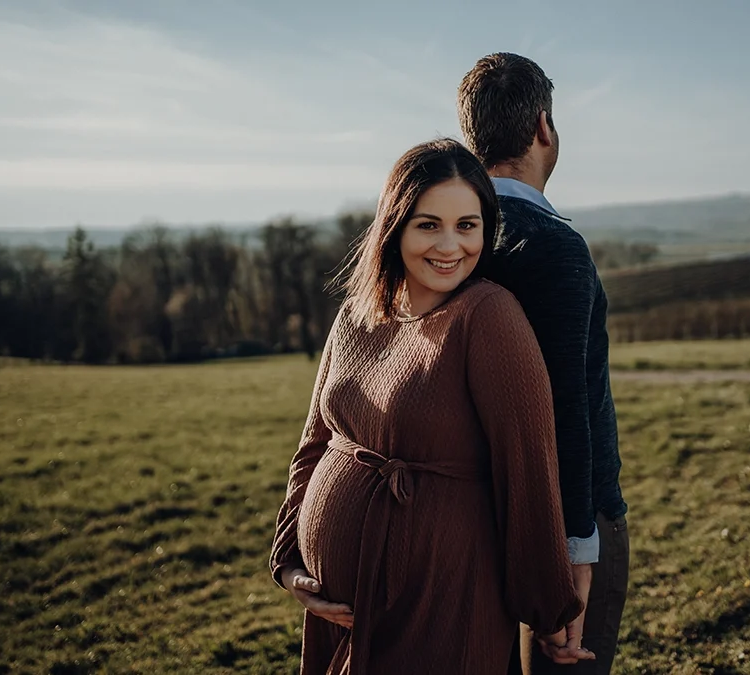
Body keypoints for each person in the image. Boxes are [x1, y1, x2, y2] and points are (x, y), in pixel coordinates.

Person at [268, 138, 586, 675]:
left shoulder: (487, 317)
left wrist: (548, 609)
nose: (449, 245)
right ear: (394, 226)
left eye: (467, 225)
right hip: (336, 612)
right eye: (428, 224)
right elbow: (315, 443)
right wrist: (291, 562)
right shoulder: (357, 314)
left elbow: (528, 467)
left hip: (441, 602)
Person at [456, 53, 630, 674]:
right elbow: (566, 405)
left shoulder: (445, 245)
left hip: (467, 519)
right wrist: (578, 550)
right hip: (568, 521)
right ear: (544, 128)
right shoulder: (554, 246)